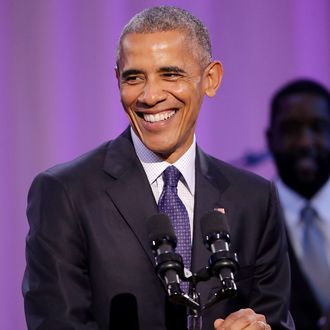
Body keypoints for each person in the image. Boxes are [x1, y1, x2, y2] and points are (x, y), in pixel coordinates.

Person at [23, 6, 294, 330]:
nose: (150, 96)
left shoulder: (254, 198)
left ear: (210, 79)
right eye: (134, 77)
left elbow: (276, 320)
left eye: (170, 74)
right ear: (117, 81)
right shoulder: (65, 193)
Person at [266, 79, 330, 330]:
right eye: (291, 129)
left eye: (319, 127)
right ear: (270, 139)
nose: (305, 142)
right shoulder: (248, 219)